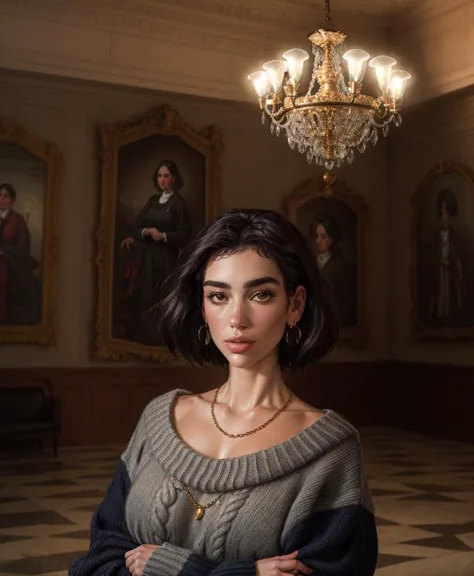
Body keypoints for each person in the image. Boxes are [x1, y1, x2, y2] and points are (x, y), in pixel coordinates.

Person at [71, 209, 377, 576]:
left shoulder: (331, 450)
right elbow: (96, 562)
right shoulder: (158, 419)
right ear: (202, 307)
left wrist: (174, 568)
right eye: (218, 296)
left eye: (260, 295)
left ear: (294, 305)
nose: (237, 318)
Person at [118, 160, 192, 344]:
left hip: (165, 257)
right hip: (147, 256)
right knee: (143, 293)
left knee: (161, 294)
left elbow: (185, 234)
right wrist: (143, 234)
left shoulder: (178, 203)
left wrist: (164, 236)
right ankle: (141, 334)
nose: (162, 180)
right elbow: (136, 226)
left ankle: (160, 337)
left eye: (166, 176)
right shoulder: (152, 201)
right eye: (160, 176)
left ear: (173, 178)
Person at [419, 188, 468, 328]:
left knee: (451, 306)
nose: (444, 216)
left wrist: (452, 264)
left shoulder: (456, 238)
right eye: (442, 213)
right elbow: (430, 261)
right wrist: (439, 262)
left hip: (451, 279)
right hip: (438, 278)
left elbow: (460, 262)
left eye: (447, 213)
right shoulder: (433, 239)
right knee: (439, 303)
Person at [0, 182, 41, 325]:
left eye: (5, 196)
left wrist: (4, 252)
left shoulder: (17, 220)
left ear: (12, 200)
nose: (1, 199)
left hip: (12, 263)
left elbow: (23, 246)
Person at [310, 213, 356, 327]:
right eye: (317, 236)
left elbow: (343, 303)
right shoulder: (311, 261)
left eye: (323, 236)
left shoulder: (339, 265)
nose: (318, 241)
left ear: (331, 239)